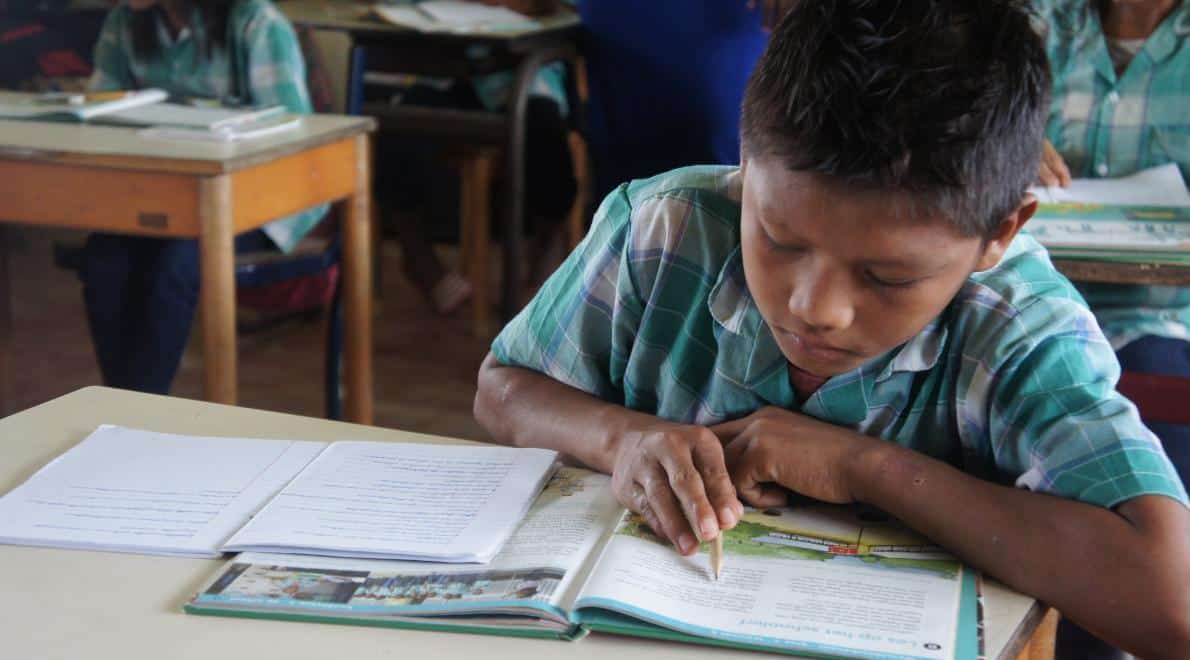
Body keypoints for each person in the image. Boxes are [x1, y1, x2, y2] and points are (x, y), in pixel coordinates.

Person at [473, 2, 1190, 657]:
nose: (817, 308)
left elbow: (1170, 602)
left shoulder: (1018, 327)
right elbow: (503, 389)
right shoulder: (665, 226)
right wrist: (621, 438)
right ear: (747, 166)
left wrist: (863, 468)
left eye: (886, 277)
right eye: (780, 240)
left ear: (1000, 234)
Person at [1032, 2, 1189, 657]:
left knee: (1150, 445)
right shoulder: (1033, 21)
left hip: (1161, 313)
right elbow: (945, 125)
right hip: (1033, 297)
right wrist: (1000, 139)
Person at [79, 0, 325, 394]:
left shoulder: (256, 23)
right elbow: (99, 113)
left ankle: (140, 408)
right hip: (166, 201)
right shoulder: (125, 21)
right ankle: (123, 402)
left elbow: (290, 141)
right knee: (103, 259)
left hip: (261, 200)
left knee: (177, 260)